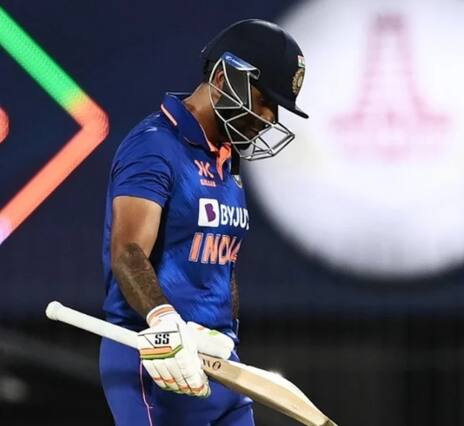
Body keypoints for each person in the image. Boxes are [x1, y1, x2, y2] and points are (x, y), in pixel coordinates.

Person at [98, 19, 308, 426]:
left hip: (217, 359)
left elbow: (219, 263)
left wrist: (225, 337)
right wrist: (164, 321)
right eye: (265, 98)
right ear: (224, 77)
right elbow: (128, 251)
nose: (269, 117)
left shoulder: (228, 159)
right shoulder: (154, 145)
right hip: (157, 357)